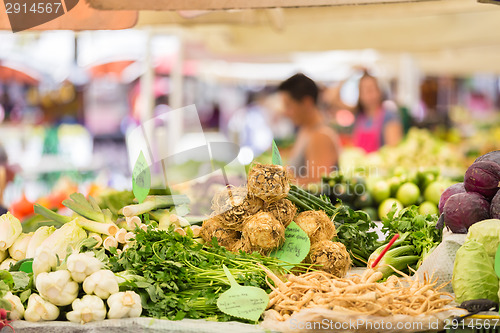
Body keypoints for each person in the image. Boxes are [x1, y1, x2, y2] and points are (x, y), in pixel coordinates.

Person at [278, 73, 341, 185]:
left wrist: (275, 184)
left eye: (288, 105)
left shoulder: (321, 136)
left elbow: (317, 184)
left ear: (307, 103)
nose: (286, 112)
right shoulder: (305, 129)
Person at [351, 72, 403, 153]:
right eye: (363, 90)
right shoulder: (359, 116)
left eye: (371, 89)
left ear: (379, 91)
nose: (368, 94)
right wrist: (352, 73)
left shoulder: (389, 116)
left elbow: (393, 150)